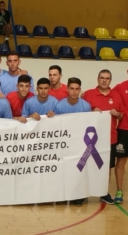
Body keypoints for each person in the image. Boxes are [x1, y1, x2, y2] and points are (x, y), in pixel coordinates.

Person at [83, 69, 124, 205]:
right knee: (88, 165)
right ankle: (85, 192)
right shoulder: (88, 94)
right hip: (90, 139)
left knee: (107, 167)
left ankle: (104, 192)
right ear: (97, 79)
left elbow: (122, 115)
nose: (104, 80)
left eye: (107, 78)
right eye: (102, 78)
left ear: (110, 80)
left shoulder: (116, 95)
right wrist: (91, 111)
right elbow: (80, 112)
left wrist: (117, 113)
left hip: (109, 138)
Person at [53, 77, 91, 207]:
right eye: (72, 89)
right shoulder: (59, 105)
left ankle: (79, 196)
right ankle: (62, 195)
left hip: (80, 143)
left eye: (77, 89)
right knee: (64, 168)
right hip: (64, 143)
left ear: (80, 90)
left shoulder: (86, 106)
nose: (74, 91)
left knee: (79, 170)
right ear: (67, 89)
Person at [113, 71, 128, 204]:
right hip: (124, 129)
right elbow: (107, 96)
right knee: (121, 161)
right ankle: (119, 191)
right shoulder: (120, 87)